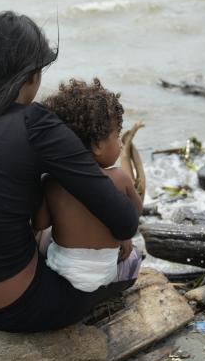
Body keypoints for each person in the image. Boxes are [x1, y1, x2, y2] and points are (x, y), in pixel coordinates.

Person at [0, 11, 140, 333]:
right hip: (15, 307)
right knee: (130, 262)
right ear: (31, 74)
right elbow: (124, 221)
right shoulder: (35, 122)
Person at [34, 78, 143, 293]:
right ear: (97, 145)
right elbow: (134, 213)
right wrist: (123, 238)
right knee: (134, 257)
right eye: (117, 136)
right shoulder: (120, 178)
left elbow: (40, 222)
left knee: (42, 237)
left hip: (60, 272)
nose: (121, 143)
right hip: (106, 274)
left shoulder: (52, 181)